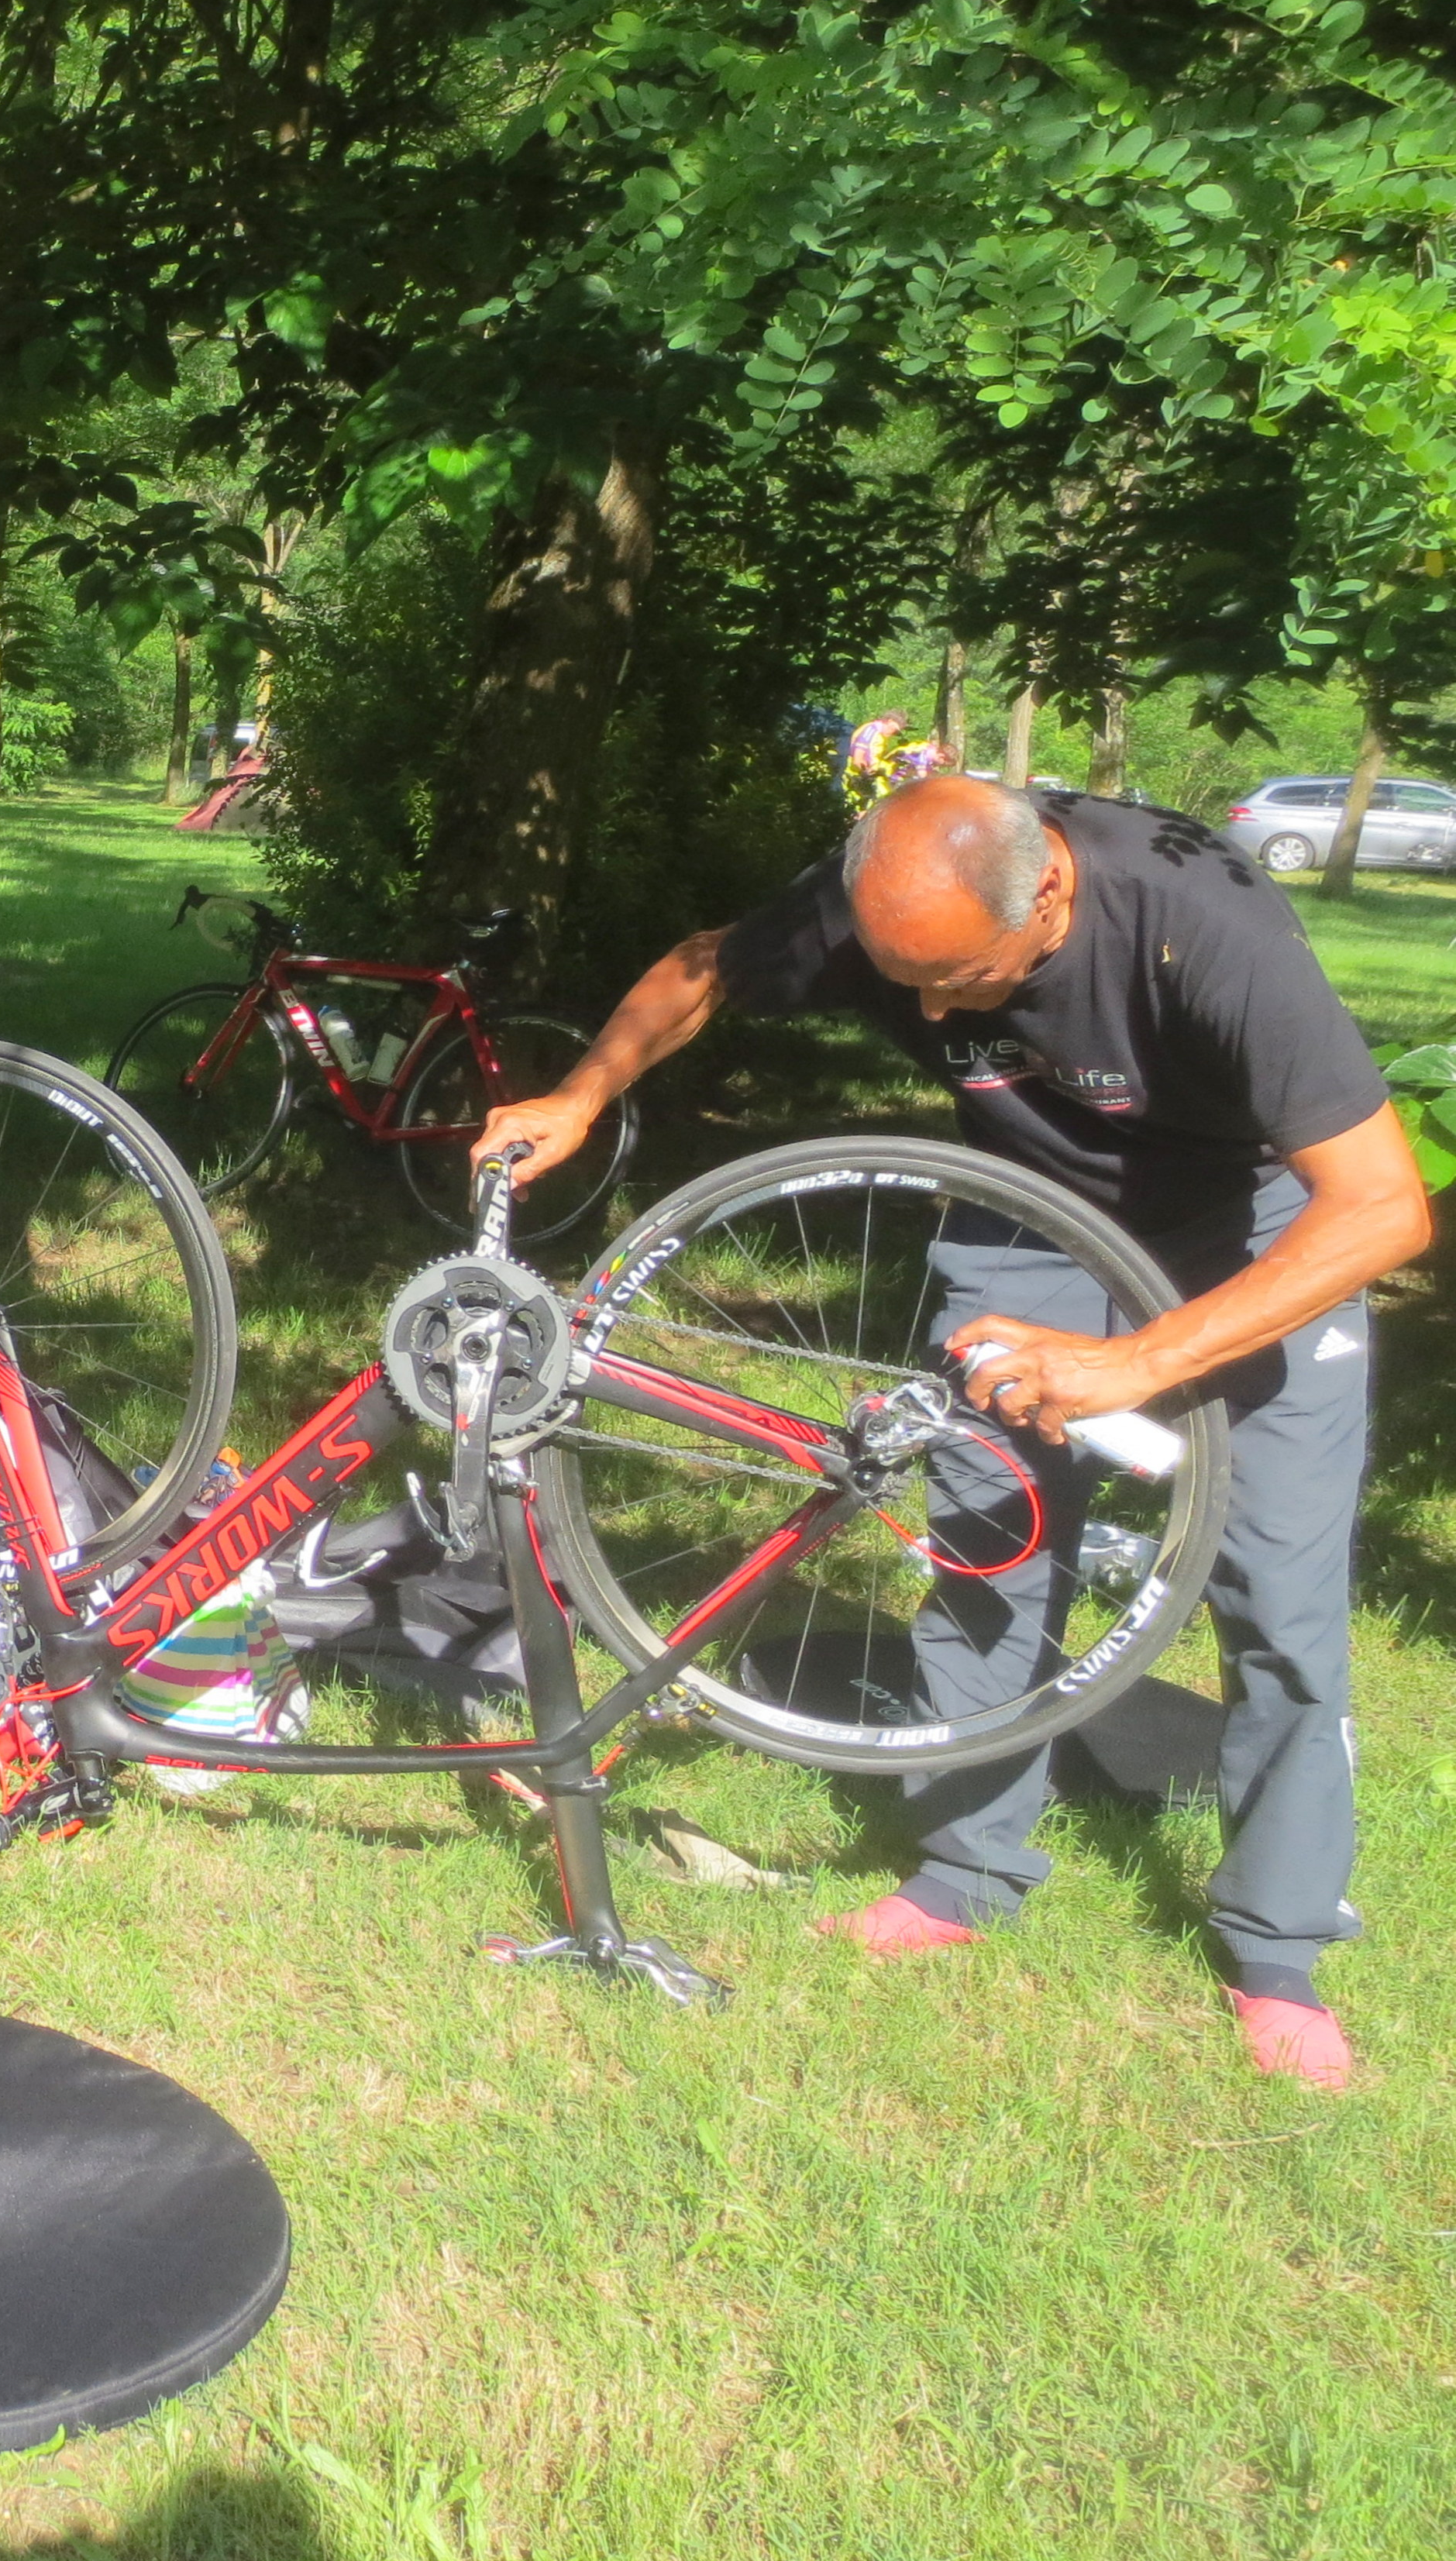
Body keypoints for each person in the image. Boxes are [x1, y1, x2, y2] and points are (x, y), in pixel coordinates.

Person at [476, 777, 1429, 2088]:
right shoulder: (880, 898)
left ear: (1047, 895)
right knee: (988, 1538)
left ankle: (1276, 1945)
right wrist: (583, 1094)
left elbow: (1382, 1208)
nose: (926, 1016)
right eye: (899, 981)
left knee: (1275, 1589)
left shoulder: (1201, 924)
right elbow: (701, 967)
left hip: (1254, 1228)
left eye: (956, 980)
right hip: (1029, 1215)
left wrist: (1137, 1362)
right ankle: (966, 1871)